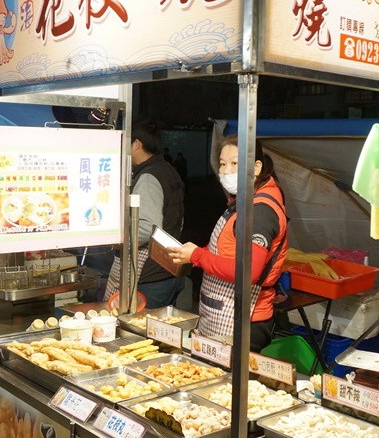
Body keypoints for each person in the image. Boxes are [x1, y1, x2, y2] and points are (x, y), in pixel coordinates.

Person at [167, 135, 288, 352]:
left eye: (235, 163)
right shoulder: (243, 200)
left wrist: (197, 256)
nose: (226, 171)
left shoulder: (260, 211)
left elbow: (248, 271)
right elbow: (227, 248)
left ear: (256, 167)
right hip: (222, 311)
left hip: (244, 318)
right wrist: (193, 254)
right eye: (222, 164)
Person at [105, 119, 185, 308]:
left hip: (150, 276)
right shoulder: (167, 169)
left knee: (138, 325)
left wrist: (114, 237)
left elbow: (146, 229)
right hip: (168, 271)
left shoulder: (149, 177)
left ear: (136, 144)